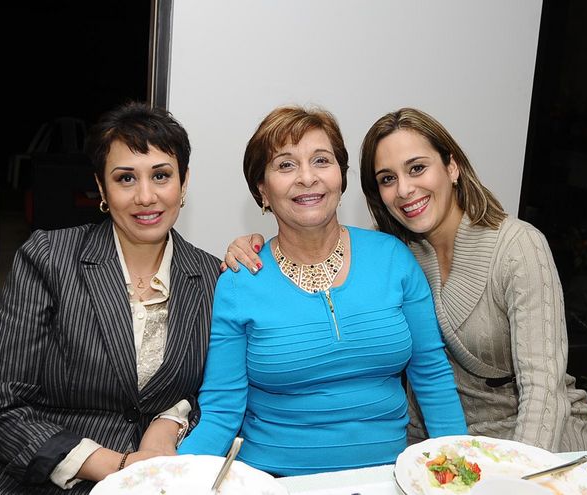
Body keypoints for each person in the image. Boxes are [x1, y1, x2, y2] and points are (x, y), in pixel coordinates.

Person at [226, 107, 587, 452]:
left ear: (452, 166)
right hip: (440, 443)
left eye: (417, 168)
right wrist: (252, 247)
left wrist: (518, 477)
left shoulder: (517, 247)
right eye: (388, 178)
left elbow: (543, 389)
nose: (404, 189)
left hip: (535, 443)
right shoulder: (398, 253)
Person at [178, 106, 467, 477]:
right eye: (286, 165)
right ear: (262, 190)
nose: (307, 177)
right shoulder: (240, 279)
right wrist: (173, 478)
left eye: (321, 160)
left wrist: (458, 474)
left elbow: (432, 376)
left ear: (340, 178)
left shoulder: (394, 258)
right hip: (273, 482)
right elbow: (221, 409)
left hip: (385, 479)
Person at [0, 103, 221, 494]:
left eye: (161, 175)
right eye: (126, 178)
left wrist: (170, 421)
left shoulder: (212, 277)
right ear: (101, 188)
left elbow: (217, 391)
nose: (145, 196)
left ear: (183, 183)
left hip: (153, 479)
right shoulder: (49, 257)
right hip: (37, 478)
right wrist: (117, 465)